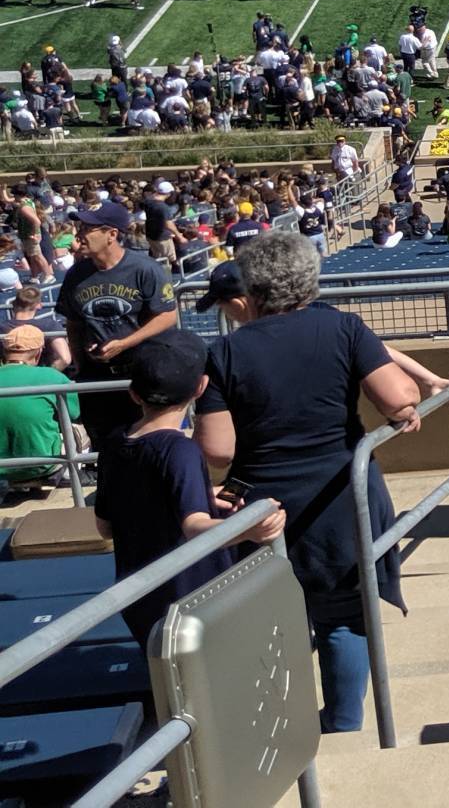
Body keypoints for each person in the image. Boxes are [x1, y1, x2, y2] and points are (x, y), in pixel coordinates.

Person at [196, 231, 424, 732]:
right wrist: (408, 402)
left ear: (252, 290)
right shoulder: (344, 328)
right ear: (309, 283)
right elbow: (397, 397)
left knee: (275, 618)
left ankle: (282, 724)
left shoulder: (226, 351)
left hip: (263, 509)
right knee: (343, 616)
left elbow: (218, 450)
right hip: (341, 497)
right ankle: (342, 722)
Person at [96, 330, 286, 648]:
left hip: (140, 598)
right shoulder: (180, 450)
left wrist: (201, 494)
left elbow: (105, 526)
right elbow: (196, 527)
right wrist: (250, 528)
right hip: (194, 600)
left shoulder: (115, 443)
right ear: (201, 387)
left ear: (134, 393)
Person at [58, 202, 177, 454]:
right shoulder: (76, 274)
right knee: (106, 447)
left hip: (139, 371)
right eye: (80, 226)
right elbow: (74, 323)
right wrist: (80, 359)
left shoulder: (144, 268)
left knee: (146, 443)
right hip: (96, 374)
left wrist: (124, 343)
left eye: (88, 228)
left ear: (111, 234)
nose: (80, 234)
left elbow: (167, 316)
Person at [0, 320, 69, 493]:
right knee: (76, 428)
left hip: (2, 467)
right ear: (38, 353)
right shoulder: (51, 376)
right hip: (43, 465)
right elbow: (74, 413)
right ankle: (70, 479)